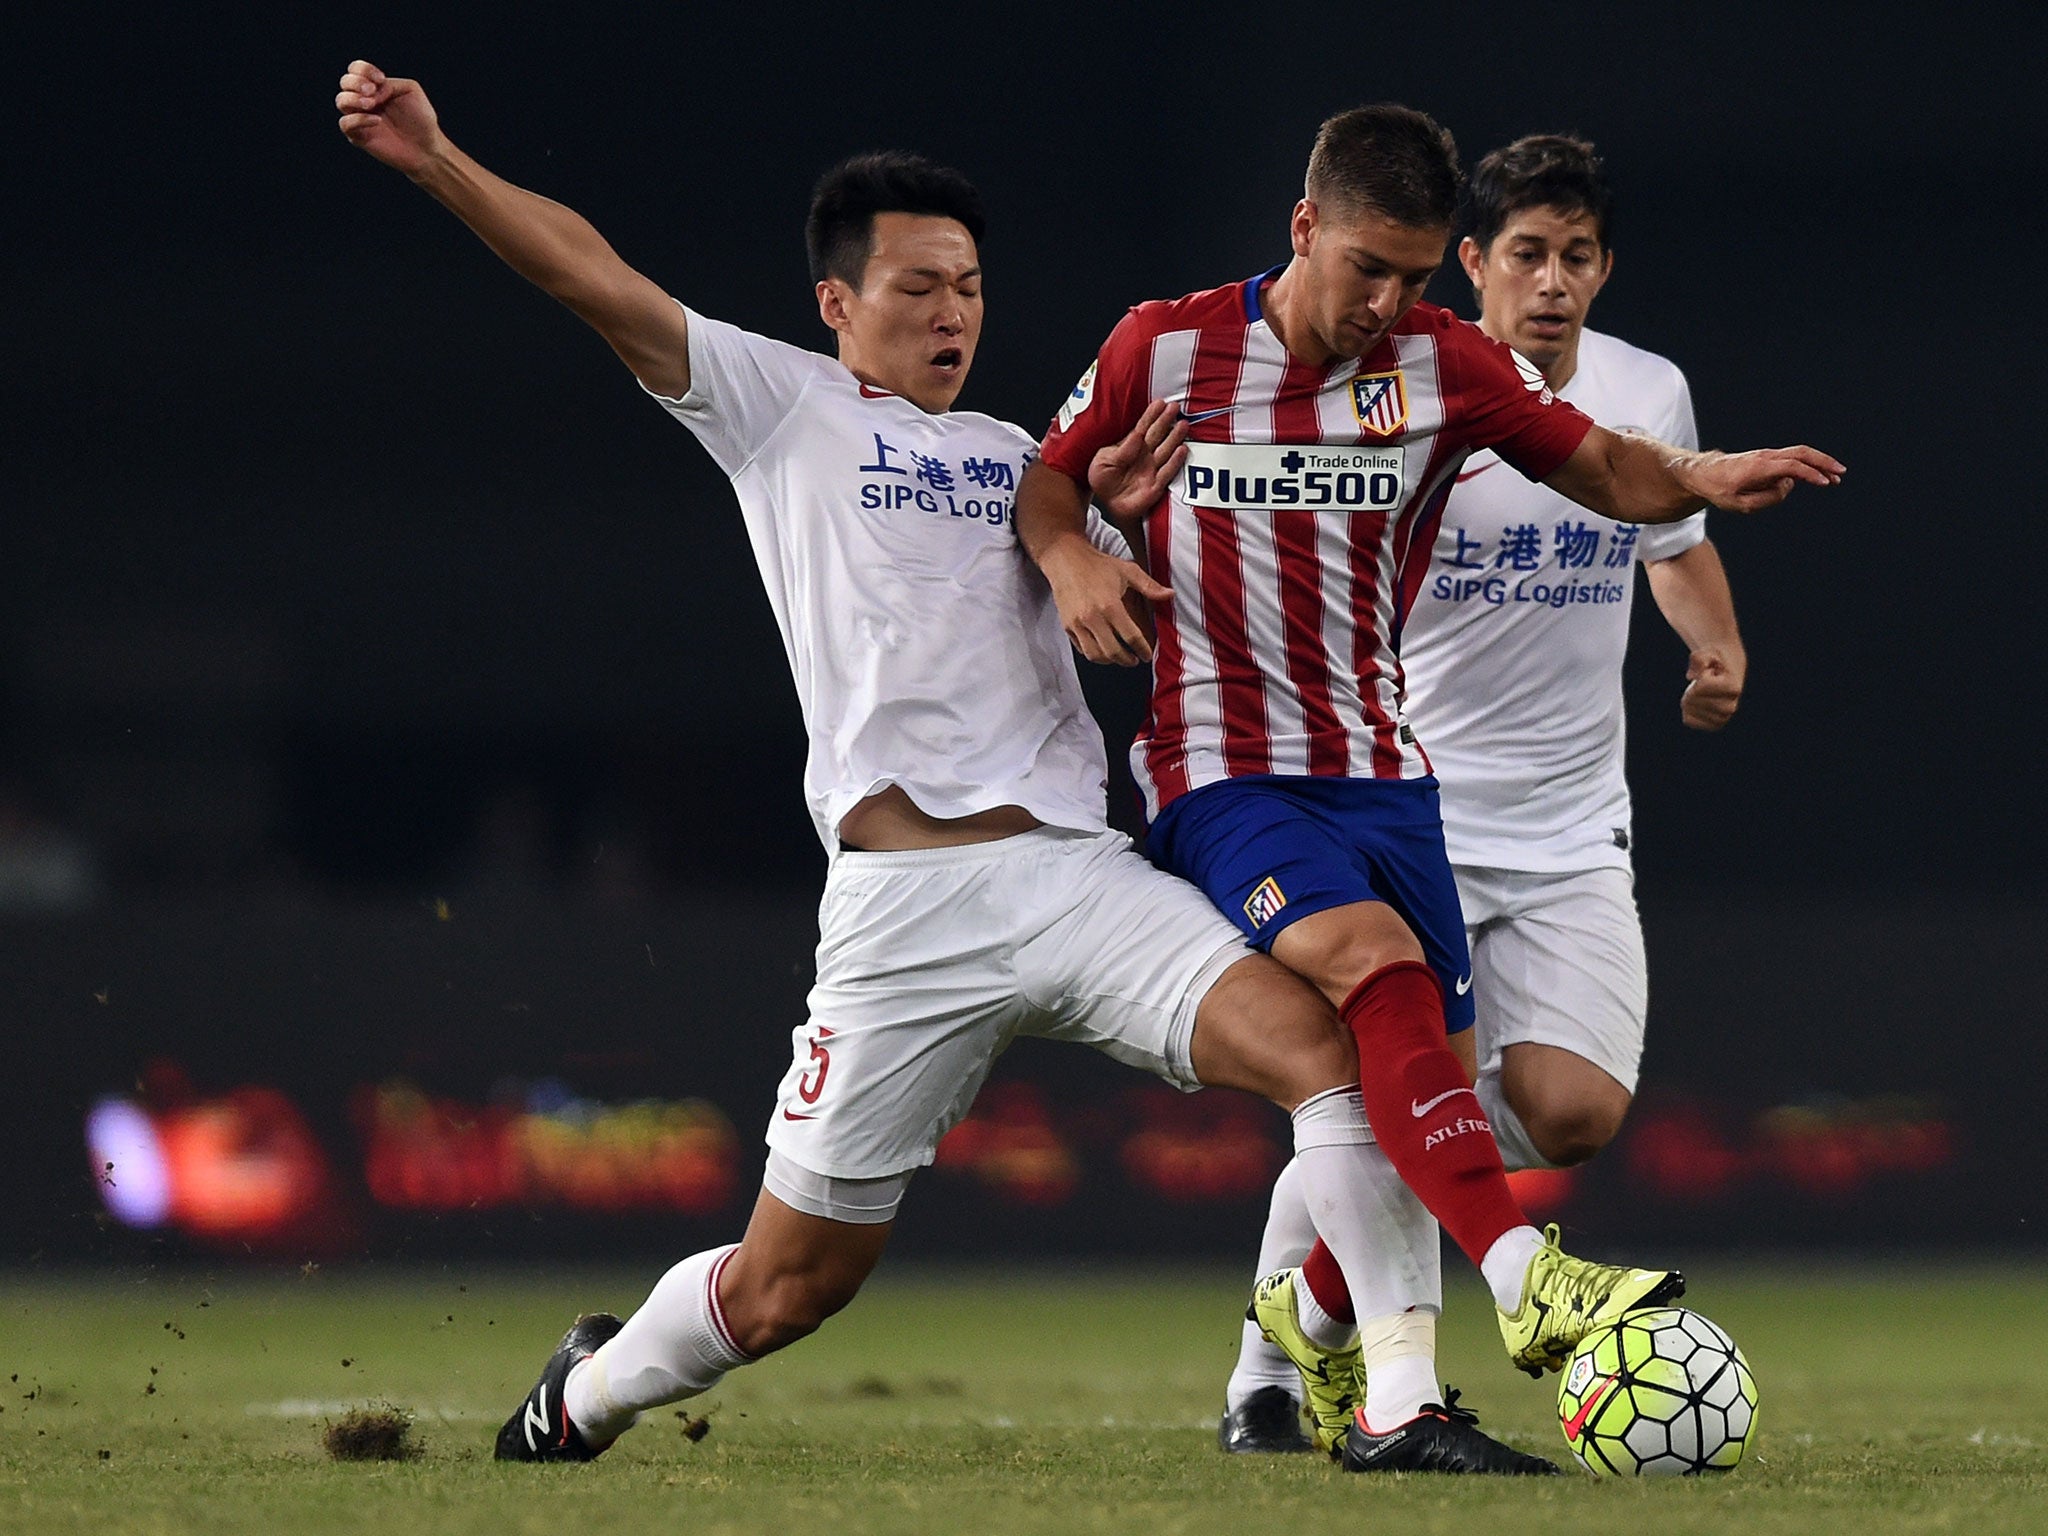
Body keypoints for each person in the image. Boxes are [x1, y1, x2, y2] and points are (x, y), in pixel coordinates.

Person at [333, 62, 1623, 1476]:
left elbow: (1103, 585)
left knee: (1328, 1054)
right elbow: (595, 278)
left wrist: (1103, 544)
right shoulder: (781, 411)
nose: (951, 312)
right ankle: (587, 1391)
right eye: (914, 287)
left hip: (1074, 881)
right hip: (907, 915)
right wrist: (437, 160)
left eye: (969, 288)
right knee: (788, 1290)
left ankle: (1395, 1407)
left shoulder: (1025, 457)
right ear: (836, 302)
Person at [1014, 104, 1839, 1465]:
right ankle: (1525, 1281)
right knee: (1380, 972)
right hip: (1222, 766)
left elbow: (1603, 462)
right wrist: (1073, 556)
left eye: (1410, 276)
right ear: (1303, 228)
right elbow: (1051, 486)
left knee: (1418, 1097)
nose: (1387, 303)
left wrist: (1701, 477)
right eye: (1366, 270)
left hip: (1390, 777)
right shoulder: (1161, 343)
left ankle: (1367, 1390)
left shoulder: (1441, 362)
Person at [1214, 131, 1750, 1451]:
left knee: (1574, 1110)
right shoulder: (1408, 393)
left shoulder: (1649, 390)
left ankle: (1309, 1302)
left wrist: (1715, 641)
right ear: (1472, 263)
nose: (1553, 280)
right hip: (1424, 815)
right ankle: (1283, 1368)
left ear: (1605, 267)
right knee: (1400, 1085)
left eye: (1577, 256)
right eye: (1527, 254)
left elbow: (1670, 539)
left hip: (1574, 824)